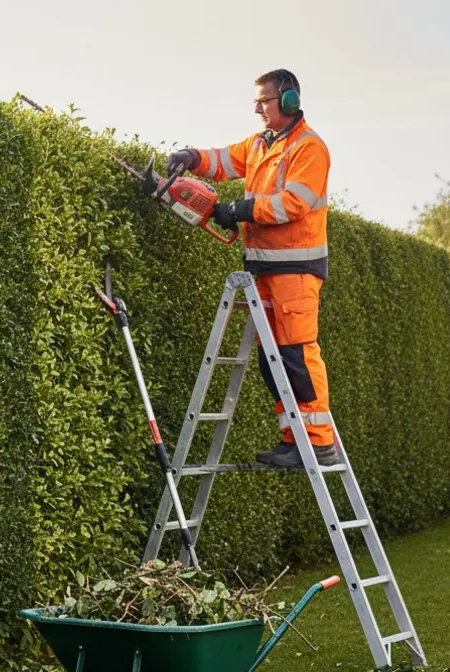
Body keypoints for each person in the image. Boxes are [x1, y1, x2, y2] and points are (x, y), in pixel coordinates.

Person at [159, 69, 339, 467]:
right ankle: (294, 439)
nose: (257, 107)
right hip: (265, 269)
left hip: (296, 269)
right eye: (256, 100)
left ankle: (319, 443)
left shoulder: (308, 148)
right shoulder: (261, 144)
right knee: (270, 358)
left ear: (289, 100)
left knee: (296, 353)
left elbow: (292, 204)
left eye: (264, 100)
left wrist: (237, 210)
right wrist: (191, 157)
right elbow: (223, 160)